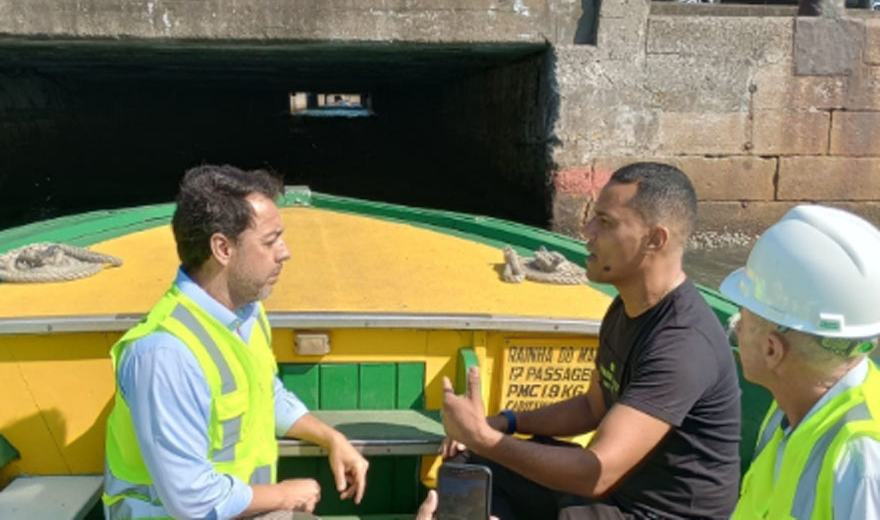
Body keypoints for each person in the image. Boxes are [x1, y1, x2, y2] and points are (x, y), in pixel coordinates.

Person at [441, 162, 741, 519]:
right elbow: (591, 409)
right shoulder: (623, 308)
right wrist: (502, 424)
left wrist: (485, 437)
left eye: (606, 222)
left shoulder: (684, 344)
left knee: (491, 456)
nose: (587, 231)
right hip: (618, 493)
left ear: (655, 239)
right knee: (473, 468)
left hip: (652, 513)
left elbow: (598, 472)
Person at [102, 165, 369, 518]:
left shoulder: (247, 313)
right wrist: (284, 495)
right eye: (270, 241)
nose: (285, 252)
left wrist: (330, 437)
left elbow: (264, 393)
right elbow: (192, 500)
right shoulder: (165, 355)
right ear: (223, 248)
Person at [721, 205, 880, 519]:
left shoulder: (862, 461)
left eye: (745, 317)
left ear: (772, 350)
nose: (736, 325)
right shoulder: (790, 405)